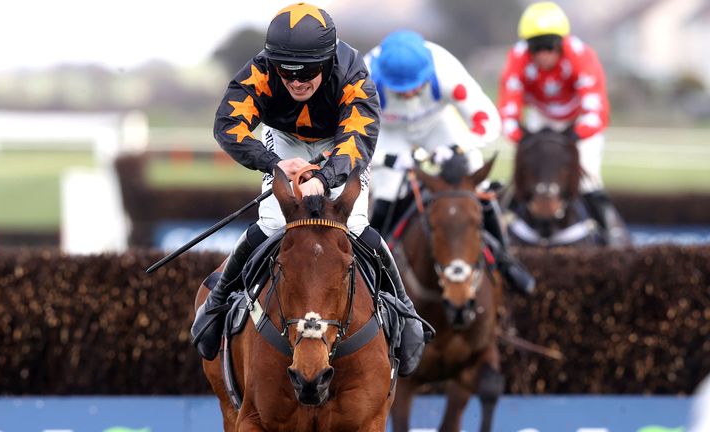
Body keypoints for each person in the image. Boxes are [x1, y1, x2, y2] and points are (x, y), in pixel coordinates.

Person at [190, 2, 427, 377]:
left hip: (340, 141)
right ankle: (218, 302)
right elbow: (228, 125)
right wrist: (273, 162)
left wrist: (325, 176)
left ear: (328, 62)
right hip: (284, 138)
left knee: (356, 225)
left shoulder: (353, 74)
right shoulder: (260, 72)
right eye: (286, 72)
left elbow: (357, 141)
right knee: (272, 222)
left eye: (308, 73)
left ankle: (405, 311)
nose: (297, 82)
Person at [363, 29, 535, 295]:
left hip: (438, 126)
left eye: (414, 88)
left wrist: (457, 147)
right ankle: (372, 266)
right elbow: (349, 141)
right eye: (400, 90)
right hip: (389, 133)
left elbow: (488, 122)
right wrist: (389, 159)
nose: (408, 96)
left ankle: (505, 261)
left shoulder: (446, 71)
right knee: (387, 189)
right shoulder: (364, 78)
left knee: (478, 179)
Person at [498, 1, 623, 245]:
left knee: (588, 175)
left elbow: (596, 110)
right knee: (526, 173)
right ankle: (502, 230)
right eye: (536, 47)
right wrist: (522, 138)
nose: (543, 55)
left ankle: (611, 236)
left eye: (550, 46)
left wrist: (575, 135)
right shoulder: (517, 57)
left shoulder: (581, 56)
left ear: (561, 44)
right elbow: (508, 109)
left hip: (578, 120)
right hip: (541, 117)